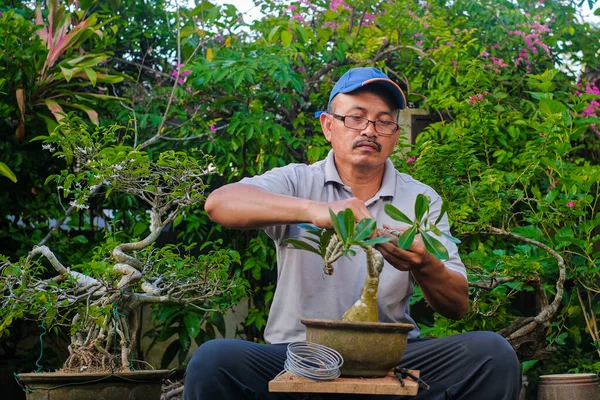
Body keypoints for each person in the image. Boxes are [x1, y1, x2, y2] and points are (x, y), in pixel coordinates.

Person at [183, 67, 520, 400]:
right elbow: (220, 203)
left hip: (390, 356)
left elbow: (457, 305)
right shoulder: (298, 181)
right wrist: (317, 211)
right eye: (356, 118)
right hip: (299, 354)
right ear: (328, 126)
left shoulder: (420, 199)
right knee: (214, 360)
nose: (370, 130)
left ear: (395, 135)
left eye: (384, 121)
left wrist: (424, 263)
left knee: (492, 354)